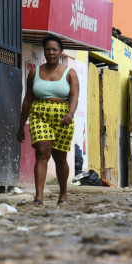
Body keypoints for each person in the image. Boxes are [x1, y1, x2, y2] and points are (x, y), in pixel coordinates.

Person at [17, 35, 80, 206]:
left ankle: (63, 194)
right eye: (47, 49)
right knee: (42, 153)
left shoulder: (70, 73)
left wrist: (70, 114)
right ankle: (39, 197)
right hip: (39, 115)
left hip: (63, 118)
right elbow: (28, 99)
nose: (50, 52)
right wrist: (21, 125)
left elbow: (74, 95)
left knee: (60, 158)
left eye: (54, 49)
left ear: (60, 52)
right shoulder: (34, 72)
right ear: (44, 51)